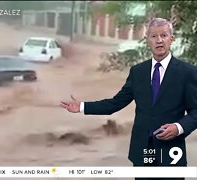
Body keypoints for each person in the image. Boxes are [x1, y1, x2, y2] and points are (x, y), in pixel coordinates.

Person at [60, 18, 197, 180]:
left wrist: (178, 127)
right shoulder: (138, 72)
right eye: (154, 36)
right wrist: (82, 106)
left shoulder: (187, 72)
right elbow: (116, 103)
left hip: (171, 153)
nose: (159, 40)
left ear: (171, 39)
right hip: (142, 151)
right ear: (147, 41)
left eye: (164, 35)